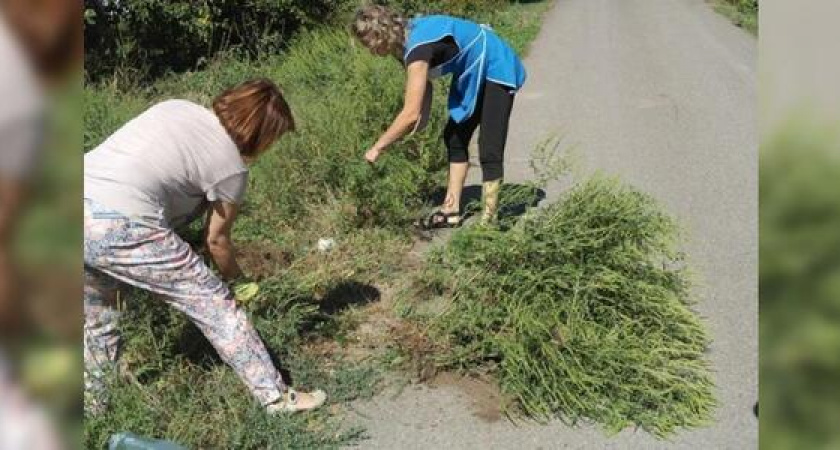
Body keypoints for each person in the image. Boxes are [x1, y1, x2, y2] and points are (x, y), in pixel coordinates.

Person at [83, 79, 326, 415]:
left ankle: (95, 411)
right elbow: (217, 241)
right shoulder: (231, 168)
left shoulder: (176, 106)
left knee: (100, 319)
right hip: (122, 221)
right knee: (214, 305)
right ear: (261, 133)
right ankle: (276, 397)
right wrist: (240, 284)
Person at [351, 5, 526, 227]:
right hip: (471, 68)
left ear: (380, 33)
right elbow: (426, 84)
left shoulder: (417, 49)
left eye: (369, 43)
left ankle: (489, 221)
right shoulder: (403, 43)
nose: (370, 50)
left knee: (489, 146)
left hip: (495, 63)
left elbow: (409, 113)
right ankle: (451, 210)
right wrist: (422, 116)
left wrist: (378, 147)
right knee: (454, 137)